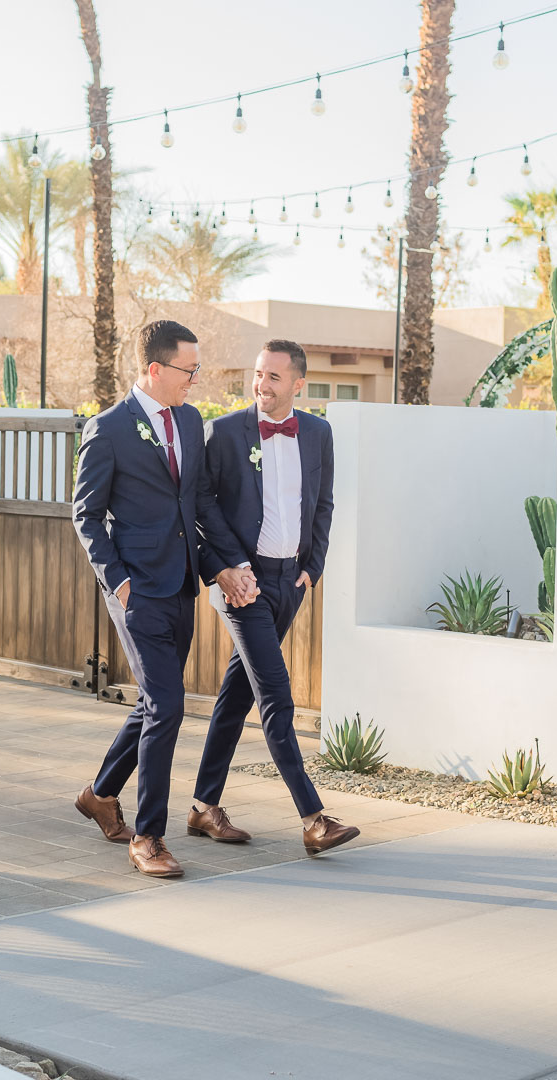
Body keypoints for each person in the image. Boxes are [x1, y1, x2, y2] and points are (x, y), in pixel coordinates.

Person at [70, 320, 247, 877]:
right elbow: (86, 516)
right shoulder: (107, 429)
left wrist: (227, 565)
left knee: (155, 703)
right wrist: (120, 584)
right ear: (155, 368)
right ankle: (149, 837)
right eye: (188, 370)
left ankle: (99, 795)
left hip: (183, 584)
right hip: (137, 591)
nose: (195, 379)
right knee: (167, 706)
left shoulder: (190, 421)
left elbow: (198, 502)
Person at [189, 340, 360, 856]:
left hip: (291, 581)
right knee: (275, 694)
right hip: (244, 583)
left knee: (237, 695)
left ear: (298, 384)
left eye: (274, 377)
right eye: (259, 374)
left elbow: (323, 503)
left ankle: (203, 807)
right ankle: (313, 818)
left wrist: (313, 567)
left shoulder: (318, 432)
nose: (261, 384)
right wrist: (232, 566)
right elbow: (201, 502)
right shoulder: (224, 432)